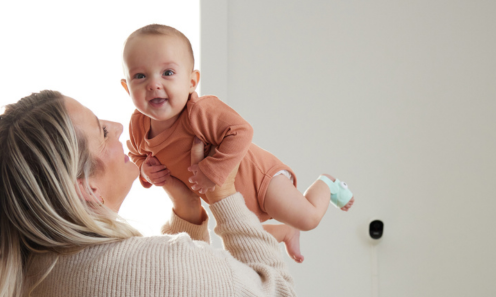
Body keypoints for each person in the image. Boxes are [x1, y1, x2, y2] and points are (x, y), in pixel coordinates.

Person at [0, 90, 296, 297]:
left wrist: (186, 209)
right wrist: (224, 196)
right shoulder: (154, 265)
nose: (117, 126)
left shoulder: (35, 276)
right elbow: (278, 293)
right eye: (102, 132)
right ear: (87, 187)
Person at [122, 24, 355, 263]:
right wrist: (144, 170)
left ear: (192, 81)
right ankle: (285, 231)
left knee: (308, 219)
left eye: (168, 73)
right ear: (126, 87)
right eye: (140, 76)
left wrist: (212, 171)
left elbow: (242, 131)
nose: (153, 84)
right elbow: (137, 153)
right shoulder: (138, 126)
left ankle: (327, 184)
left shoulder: (199, 112)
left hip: (260, 179)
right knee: (235, 245)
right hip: (227, 199)